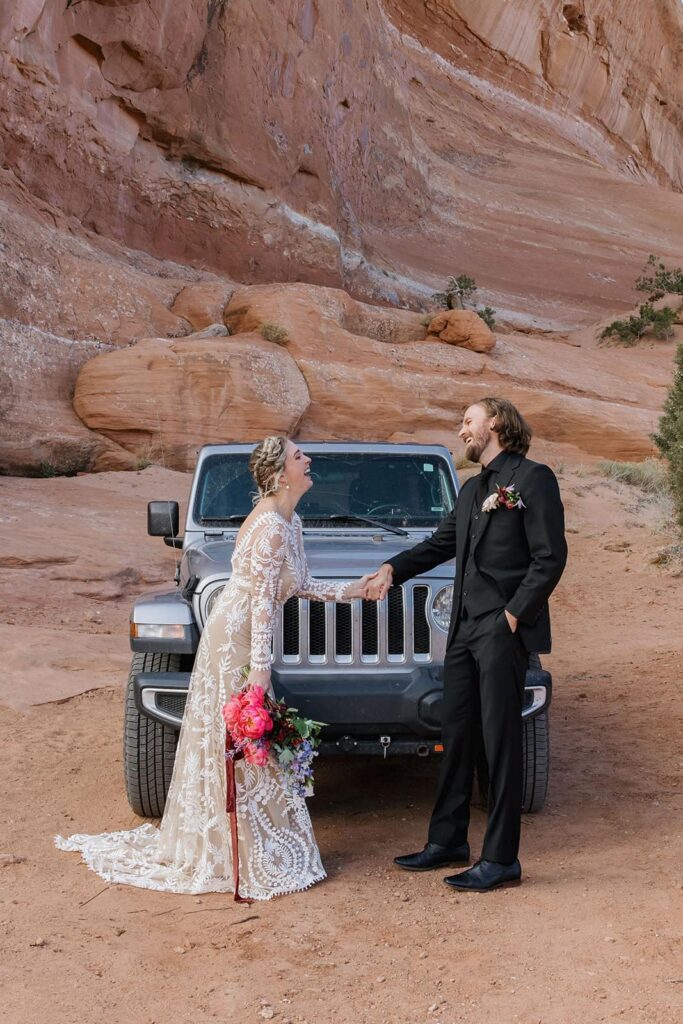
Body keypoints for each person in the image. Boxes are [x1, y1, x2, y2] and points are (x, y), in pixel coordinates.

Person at [57, 436, 369, 900]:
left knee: (249, 735)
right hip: (235, 637)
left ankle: (249, 843)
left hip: (249, 634)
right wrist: (260, 669)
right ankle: (237, 850)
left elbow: (300, 585)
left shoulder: (292, 520)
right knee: (245, 733)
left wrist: (356, 590)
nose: (309, 461)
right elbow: (262, 602)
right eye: (299, 456)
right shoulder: (269, 528)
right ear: (281, 474)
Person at [365, 397, 567, 892]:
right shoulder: (471, 488)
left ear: (495, 423)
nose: (462, 432)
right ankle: (448, 841)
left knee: (500, 743)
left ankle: (501, 861)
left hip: (501, 630)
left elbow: (550, 556)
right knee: (456, 737)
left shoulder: (533, 479)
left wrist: (514, 615)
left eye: (468, 422)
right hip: (461, 631)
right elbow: (439, 544)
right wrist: (392, 569)